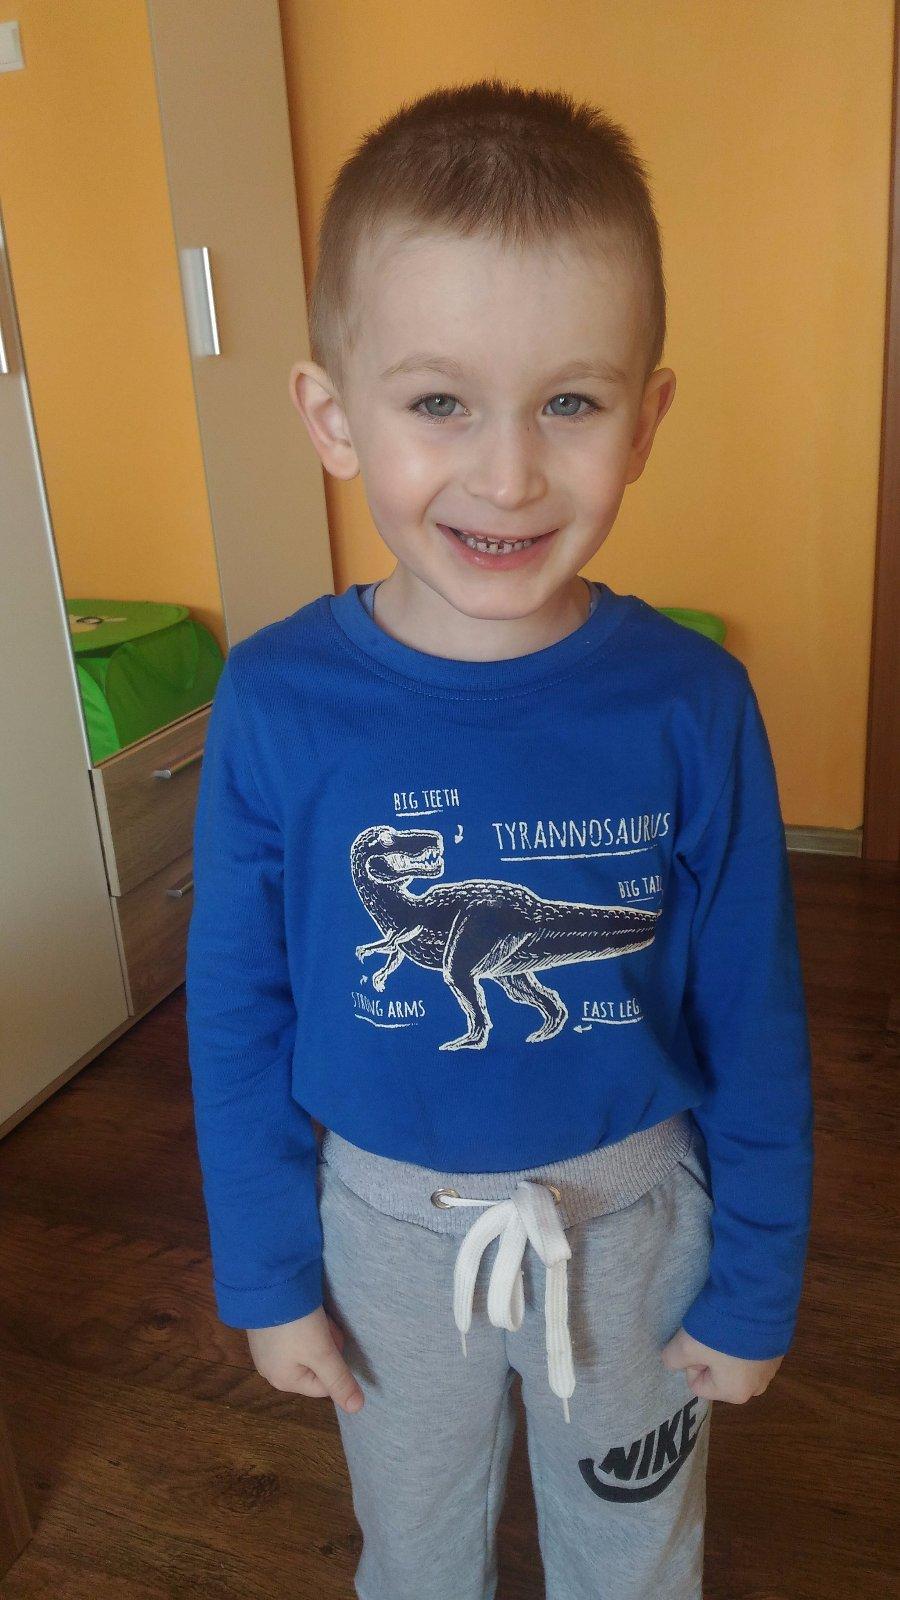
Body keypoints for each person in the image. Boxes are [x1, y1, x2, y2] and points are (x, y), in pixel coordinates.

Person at [185, 78, 815, 1600]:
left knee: (633, 1553)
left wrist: (758, 1279)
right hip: (382, 1230)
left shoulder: (693, 701)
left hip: (634, 1221)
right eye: (439, 402)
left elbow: (756, 1011)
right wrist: (266, 1271)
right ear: (334, 417)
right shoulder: (274, 697)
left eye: (571, 404)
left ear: (645, 419)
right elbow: (237, 1007)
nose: (511, 474)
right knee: (415, 1554)